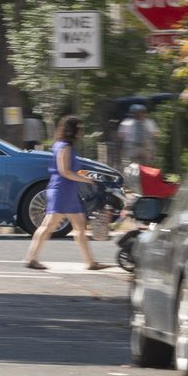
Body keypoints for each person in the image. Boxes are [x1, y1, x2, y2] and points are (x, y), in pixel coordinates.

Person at [23, 116, 112, 271]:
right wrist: (87, 180)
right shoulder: (64, 147)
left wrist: (84, 177)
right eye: (79, 128)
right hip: (62, 191)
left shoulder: (62, 145)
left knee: (80, 226)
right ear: (72, 130)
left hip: (68, 192)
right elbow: (65, 171)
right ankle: (31, 258)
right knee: (48, 226)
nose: (81, 131)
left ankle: (90, 262)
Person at [118, 104, 159, 168]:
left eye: (141, 112)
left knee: (146, 167)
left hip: (145, 147)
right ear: (132, 113)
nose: (139, 114)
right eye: (136, 112)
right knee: (133, 166)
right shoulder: (126, 122)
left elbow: (155, 134)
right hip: (132, 147)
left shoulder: (149, 122)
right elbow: (120, 136)